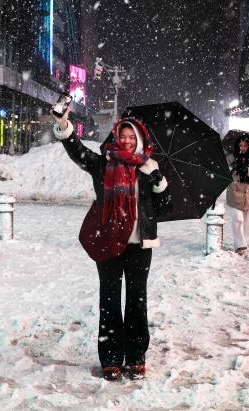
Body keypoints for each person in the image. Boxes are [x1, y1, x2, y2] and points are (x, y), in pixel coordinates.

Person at [52, 107, 169, 381]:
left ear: (140, 139)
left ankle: (137, 356)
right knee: (110, 300)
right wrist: (64, 126)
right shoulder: (104, 164)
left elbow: (162, 209)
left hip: (140, 244)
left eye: (132, 136)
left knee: (138, 302)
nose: (127, 140)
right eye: (123, 135)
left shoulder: (150, 167)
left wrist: (160, 186)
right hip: (109, 242)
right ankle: (112, 358)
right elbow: (78, 153)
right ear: (117, 136)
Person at [225, 134, 249, 256]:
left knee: (246, 221)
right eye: (240, 145)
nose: (242, 148)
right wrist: (232, 169)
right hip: (234, 193)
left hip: (248, 194)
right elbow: (223, 172)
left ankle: (245, 242)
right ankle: (240, 245)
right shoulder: (231, 158)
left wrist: (248, 171)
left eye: (245, 145)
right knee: (238, 219)